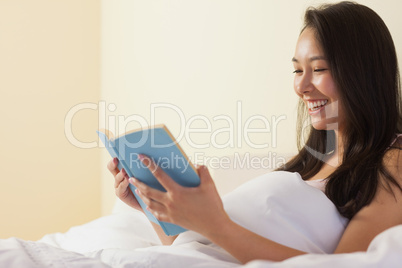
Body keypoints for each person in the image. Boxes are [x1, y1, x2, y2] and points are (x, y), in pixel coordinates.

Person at [107, 1, 402, 263]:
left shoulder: (392, 163)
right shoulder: (312, 161)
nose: (301, 87)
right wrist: (155, 208)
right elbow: (197, 247)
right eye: (298, 71)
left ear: (364, 74)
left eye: (319, 69)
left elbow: (347, 263)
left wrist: (216, 223)